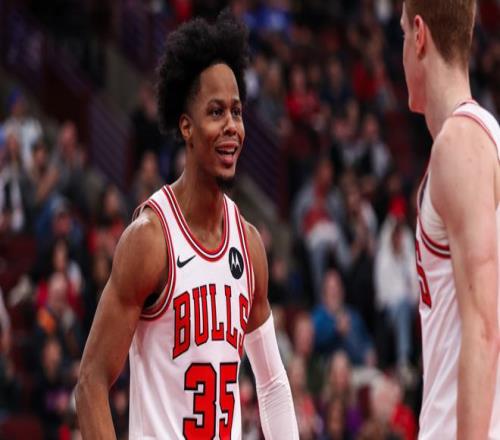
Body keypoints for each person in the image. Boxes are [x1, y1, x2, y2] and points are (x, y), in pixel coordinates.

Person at [76, 11, 298, 439]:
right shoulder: (151, 238)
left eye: (236, 112)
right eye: (216, 112)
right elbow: (91, 382)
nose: (231, 126)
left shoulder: (249, 244)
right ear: (187, 127)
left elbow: (272, 385)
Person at [401, 0, 500, 438]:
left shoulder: (459, 144)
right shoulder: (482, 137)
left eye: (403, 34)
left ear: (420, 35)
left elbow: (482, 328)